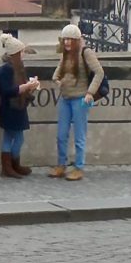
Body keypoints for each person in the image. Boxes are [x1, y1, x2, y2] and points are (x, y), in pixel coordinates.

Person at [50, 24, 105, 181]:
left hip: (81, 98)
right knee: (61, 134)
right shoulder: (65, 54)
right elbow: (58, 71)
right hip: (66, 97)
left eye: (70, 39)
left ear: (76, 40)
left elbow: (99, 72)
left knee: (79, 135)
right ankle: (61, 164)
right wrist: (58, 80)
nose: (67, 42)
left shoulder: (85, 53)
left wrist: (90, 92)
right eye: (65, 39)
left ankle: (79, 167)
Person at [0, 33, 39, 178]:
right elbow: (6, 91)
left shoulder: (18, 68)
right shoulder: (6, 70)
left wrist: (31, 86)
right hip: (10, 108)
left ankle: (12, 165)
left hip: (18, 106)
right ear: (15, 53)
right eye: (21, 52)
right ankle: (9, 166)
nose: (23, 54)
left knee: (11, 137)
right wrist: (26, 86)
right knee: (15, 138)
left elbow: (21, 86)